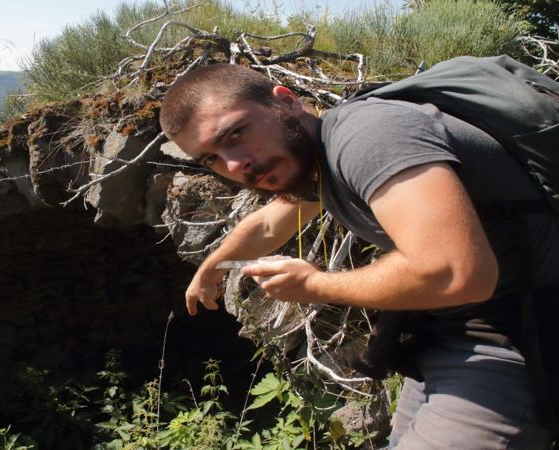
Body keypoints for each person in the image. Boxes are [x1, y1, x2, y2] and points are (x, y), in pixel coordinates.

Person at [158, 63, 559, 449]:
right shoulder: (318, 155)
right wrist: (210, 270)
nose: (235, 163)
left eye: (236, 133)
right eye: (211, 158)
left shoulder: (369, 137)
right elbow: (269, 223)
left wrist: (315, 285)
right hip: (454, 332)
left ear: (287, 101)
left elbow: (455, 273)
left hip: (521, 335)